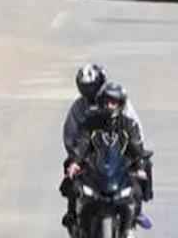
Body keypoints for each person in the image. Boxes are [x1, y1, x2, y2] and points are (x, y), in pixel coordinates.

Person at [61, 66, 147, 230]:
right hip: (92, 159)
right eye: (107, 102)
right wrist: (76, 160)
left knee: (144, 170)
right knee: (69, 172)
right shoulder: (83, 113)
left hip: (119, 159)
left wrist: (139, 162)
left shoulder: (126, 118)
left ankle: (137, 211)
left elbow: (136, 137)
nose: (110, 106)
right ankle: (72, 211)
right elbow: (75, 136)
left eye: (113, 103)